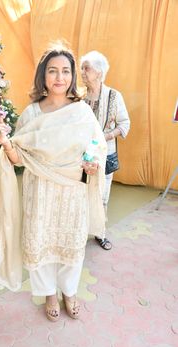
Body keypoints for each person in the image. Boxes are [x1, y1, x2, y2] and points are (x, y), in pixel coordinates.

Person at [0, 44, 107, 321]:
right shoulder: (31, 114)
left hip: (71, 190)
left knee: (71, 243)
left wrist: (93, 163)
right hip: (39, 190)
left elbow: (98, 146)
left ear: (73, 76)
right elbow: (18, 159)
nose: (59, 77)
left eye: (65, 71)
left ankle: (69, 291)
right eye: (53, 71)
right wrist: (4, 141)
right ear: (43, 75)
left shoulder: (81, 112)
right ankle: (49, 293)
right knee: (40, 241)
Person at [80, 51, 130, 250]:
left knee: (102, 195)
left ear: (99, 72)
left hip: (104, 154)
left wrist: (105, 137)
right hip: (82, 155)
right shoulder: (79, 97)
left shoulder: (114, 96)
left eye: (87, 68)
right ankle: (80, 231)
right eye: (82, 68)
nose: (82, 72)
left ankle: (100, 233)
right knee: (81, 193)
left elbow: (125, 124)